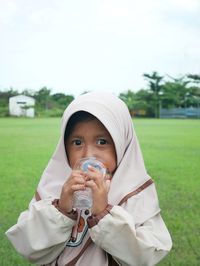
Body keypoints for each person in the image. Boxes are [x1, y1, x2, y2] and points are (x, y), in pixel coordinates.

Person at [6, 92, 172, 266]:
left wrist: (103, 213)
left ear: (121, 142)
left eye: (102, 142)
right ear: (64, 147)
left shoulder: (135, 190)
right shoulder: (55, 185)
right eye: (77, 143)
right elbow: (29, 248)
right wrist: (61, 209)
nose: (88, 155)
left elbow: (145, 257)